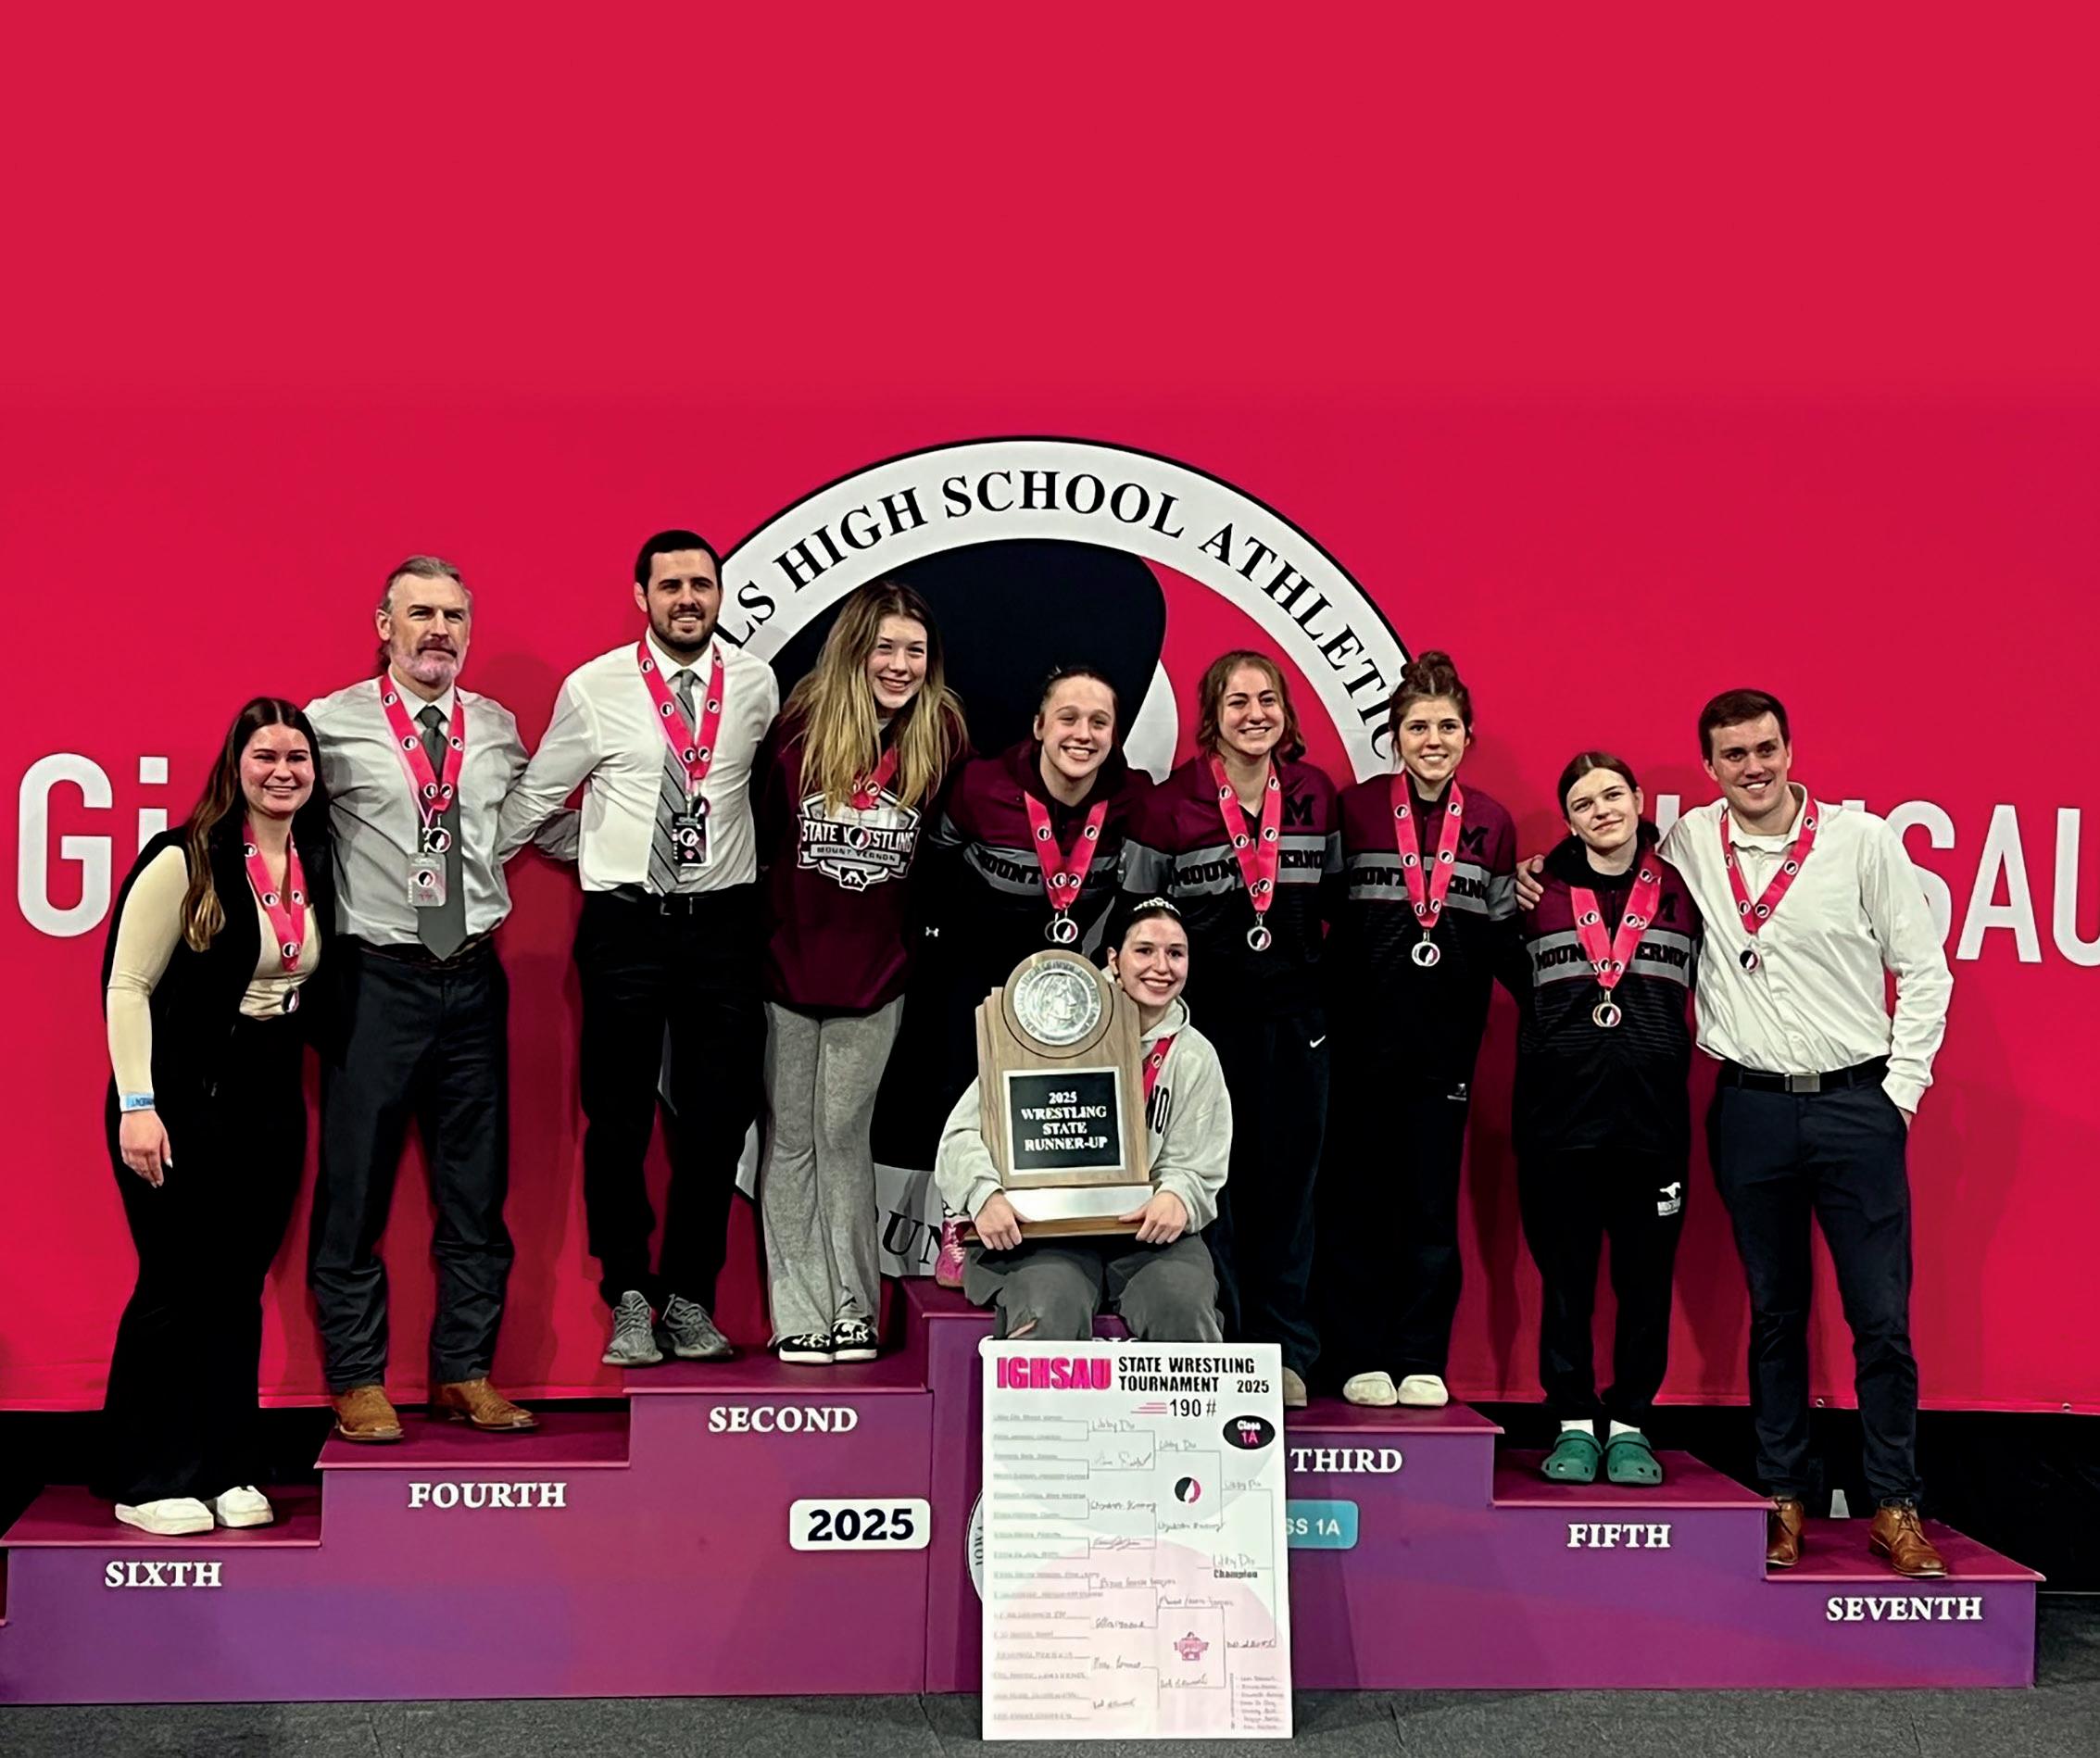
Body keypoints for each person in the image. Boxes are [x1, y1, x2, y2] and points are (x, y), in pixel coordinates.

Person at [497, 530, 778, 1367]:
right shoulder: (596, 688)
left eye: (701, 585)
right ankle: (626, 1293)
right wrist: (489, 874)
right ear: (641, 596)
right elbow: (536, 798)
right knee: (617, 1118)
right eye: (670, 586)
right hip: (626, 926)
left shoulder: (755, 685)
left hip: (722, 926)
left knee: (718, 1120)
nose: (687, 599)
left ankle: (689, 1298)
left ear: (719, 594)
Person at [304, 557, 559, 1441]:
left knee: (475, 1192)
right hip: (377, 981)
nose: (437, 631)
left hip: (474, 979)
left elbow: (531, 824)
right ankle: (357, 1379)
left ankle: (463, 1370)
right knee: (355, 1189)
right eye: (420, 613)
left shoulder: (496, 727)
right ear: (385, 626)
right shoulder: (329, 725)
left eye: (453, 616)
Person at [95, 697, 333, 1533]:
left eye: (297, 758)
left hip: (268, 1100)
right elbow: (127, 986)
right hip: (176, 1099)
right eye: (265, 756)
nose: (282, 772)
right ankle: (145, 1478)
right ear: (235, 765)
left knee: (236, 1290)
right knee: (174, 1284)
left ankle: (229, 1468)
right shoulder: (184, 857)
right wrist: (138, 1105)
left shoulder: (315, 859)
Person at [755, 580, 967, 1363]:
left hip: (876, 973)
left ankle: (854, 1306)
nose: (900, 665)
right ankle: (798, 1311)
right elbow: (766, 836)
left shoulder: (939, 738)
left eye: (915, 651)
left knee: (843, 1134)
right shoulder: (798, 730)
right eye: (885, 647)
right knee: (790, 1139)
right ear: (855, 650)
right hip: (787, 965)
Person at [1122, 651, 1338, 1406]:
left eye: (1266, 699)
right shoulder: (1168, 805)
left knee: (1289, 1194)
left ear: (1286, 712)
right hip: (1205, 1029)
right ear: (1210, 715)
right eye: (1237, 701)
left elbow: (1335, 902)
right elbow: (1138, 918)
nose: (1254, 714)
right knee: (1211, 1189)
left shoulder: (1314, 795)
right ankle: (1221, 1343)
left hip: (1296, 1026)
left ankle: (1285, 1352)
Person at [1318, 650, 1515, 1409]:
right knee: (1358, 1205)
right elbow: (1323, 917)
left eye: (1447, 727)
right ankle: (1359, 1353)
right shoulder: (1355, 810)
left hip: (1446, 1051)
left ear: (1467, 736)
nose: (1433, 740)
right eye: (1417, 727)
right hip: (1360, 1044)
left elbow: (1502, 937)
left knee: (1431, 1211)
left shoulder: (1490, 823)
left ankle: (1419, 1355)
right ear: (1394, 737)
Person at [922, 664, 1151, 1283]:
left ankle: (1063, 1230)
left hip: (1073, 983)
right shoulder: (980, 787)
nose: (1083, 734)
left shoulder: (1132, 799)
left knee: (1065, 1107)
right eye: (1068, 718)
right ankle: (959, 1221)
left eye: (1099, 722)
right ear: (1039, 726)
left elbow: (1139, 895)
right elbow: (935, 866)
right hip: (981, 973)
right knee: (962, 1096)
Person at [1507, 753, 1700, 1484]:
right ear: (1567, 820)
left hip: (1653, 1127)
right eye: (1584, 804)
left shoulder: (1682, 888)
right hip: (1557, 1126)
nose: (1602, 811)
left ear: (1638, 800)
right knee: (1565, 1284)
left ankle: (1629, 1424)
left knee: (1644, 1285)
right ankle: (1570, 1420)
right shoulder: (1533, 893)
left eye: (1612, 795)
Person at [937, 899, 1228, 1339]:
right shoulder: (1045, 1028)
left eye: (1175, 953)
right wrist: (984, 1194)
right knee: (1050, 1303)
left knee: (1182, 1306)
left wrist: (1179, 1196)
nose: (1161, 967)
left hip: (1146, 1235)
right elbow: (961, 1135)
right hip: (1040, 1234)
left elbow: (1199, 1162)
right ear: (1113, 959)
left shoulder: (1194, 1056)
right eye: (1144, 951)